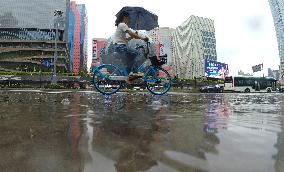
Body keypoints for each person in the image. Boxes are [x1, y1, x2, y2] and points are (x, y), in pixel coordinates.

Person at [113, 11, 149, 81]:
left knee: (131, 60)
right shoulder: (122, 24)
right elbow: (131, 34)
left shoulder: (120, 26)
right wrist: (143, 38)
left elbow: (126, 39)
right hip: (121, 47)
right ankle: (134, 73)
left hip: (119, 47)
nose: (129, 20)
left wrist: (133, 36)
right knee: (137, 53)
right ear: (125, 17)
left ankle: (128, 75)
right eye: (129, 18)